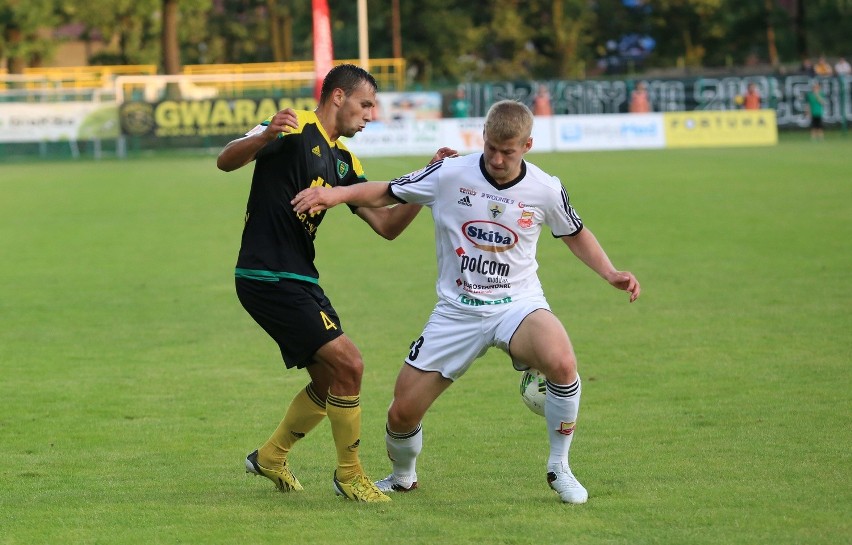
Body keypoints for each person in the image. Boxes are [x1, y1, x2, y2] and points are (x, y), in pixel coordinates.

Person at [292, 100, 641, 505]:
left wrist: (611, 273)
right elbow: (387, 191)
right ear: (483, 138)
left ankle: (559, 467)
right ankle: (404, 476)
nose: (496, 158)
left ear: (527, 145)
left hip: (518, 304)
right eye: (491, 147)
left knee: (563, 362)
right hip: (456, 312)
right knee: (400, 414)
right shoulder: (450, 173)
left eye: (507, 151)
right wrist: (335, 195)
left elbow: (575, 232)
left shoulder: (546, 188)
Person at [216, 63, 454, 503]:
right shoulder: (293, 126)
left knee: (331, 380)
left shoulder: (345, 161)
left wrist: (428, 180)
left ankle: (271, 456)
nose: (370, 115)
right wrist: (265, 135)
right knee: (351, 365)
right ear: (338, 97)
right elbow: (225, 160)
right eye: (365, 105)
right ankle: (350, 475)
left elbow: (387, 227)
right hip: (267, 273)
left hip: (300, 276)